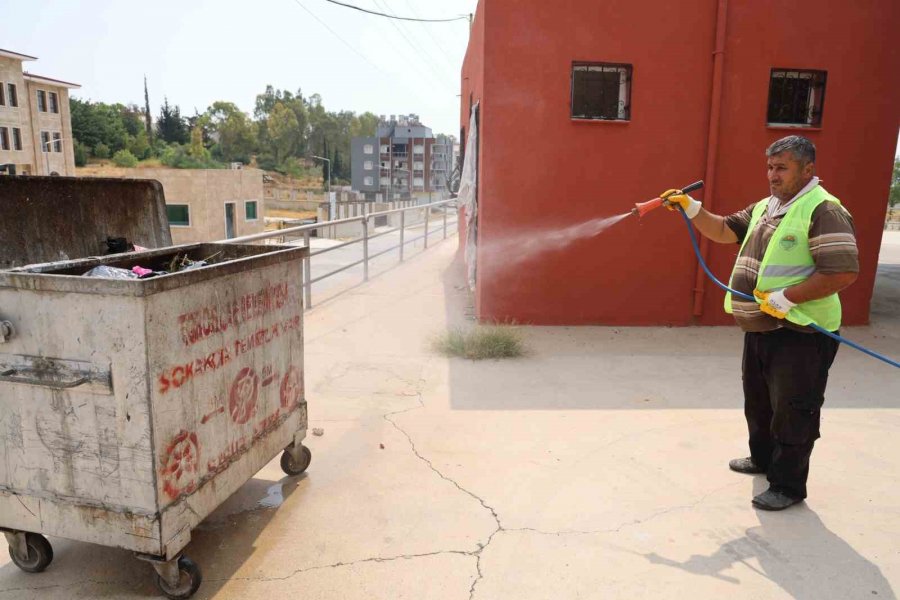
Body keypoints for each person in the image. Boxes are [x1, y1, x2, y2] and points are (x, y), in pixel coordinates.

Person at [663, 135, 859, 510]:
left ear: (807, 169)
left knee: (794, 408)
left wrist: (789, 298)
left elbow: (843, 271)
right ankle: (763, 459)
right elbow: (723, 230)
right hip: (762, 327)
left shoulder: (823, 209)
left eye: (782, 167)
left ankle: (787, 486)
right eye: (770, 167)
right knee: (759, 402)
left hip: (801, 331)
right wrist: (691, 207)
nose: (773, 175)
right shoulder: (767, 207)